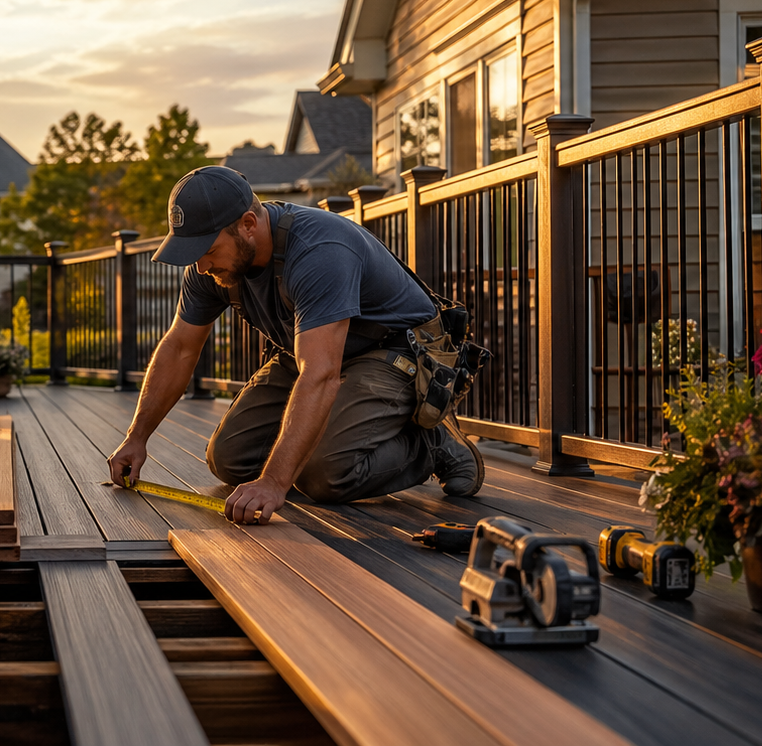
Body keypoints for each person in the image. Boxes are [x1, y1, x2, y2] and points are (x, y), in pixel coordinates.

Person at [105, 165, 482, 525]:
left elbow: (321, 374)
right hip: (310, 353)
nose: (201, 266)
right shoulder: (210, 266)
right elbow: (180, 348)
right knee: (229, 459)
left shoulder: (319, 249)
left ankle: (433, 444)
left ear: (248, 225)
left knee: (324, 475)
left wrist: (273, 483)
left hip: (392, 352)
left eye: (208, 250)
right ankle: (323, 447)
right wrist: (136, 437)